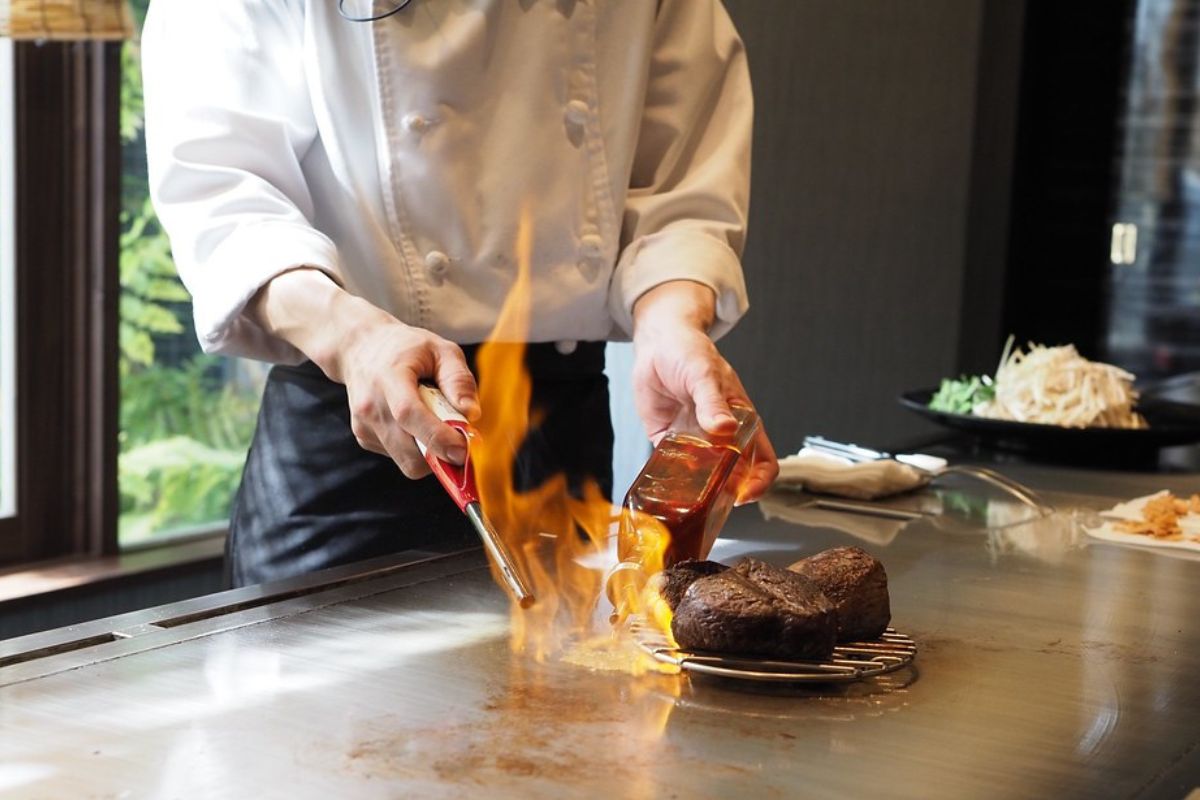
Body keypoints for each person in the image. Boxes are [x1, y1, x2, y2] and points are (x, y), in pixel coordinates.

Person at [142, 0, 778, 588]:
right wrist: (353, 337)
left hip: (562, 432)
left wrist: (671, 321)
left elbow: (681, 185)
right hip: (356, 430)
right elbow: (222, 195)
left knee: (562, 700)